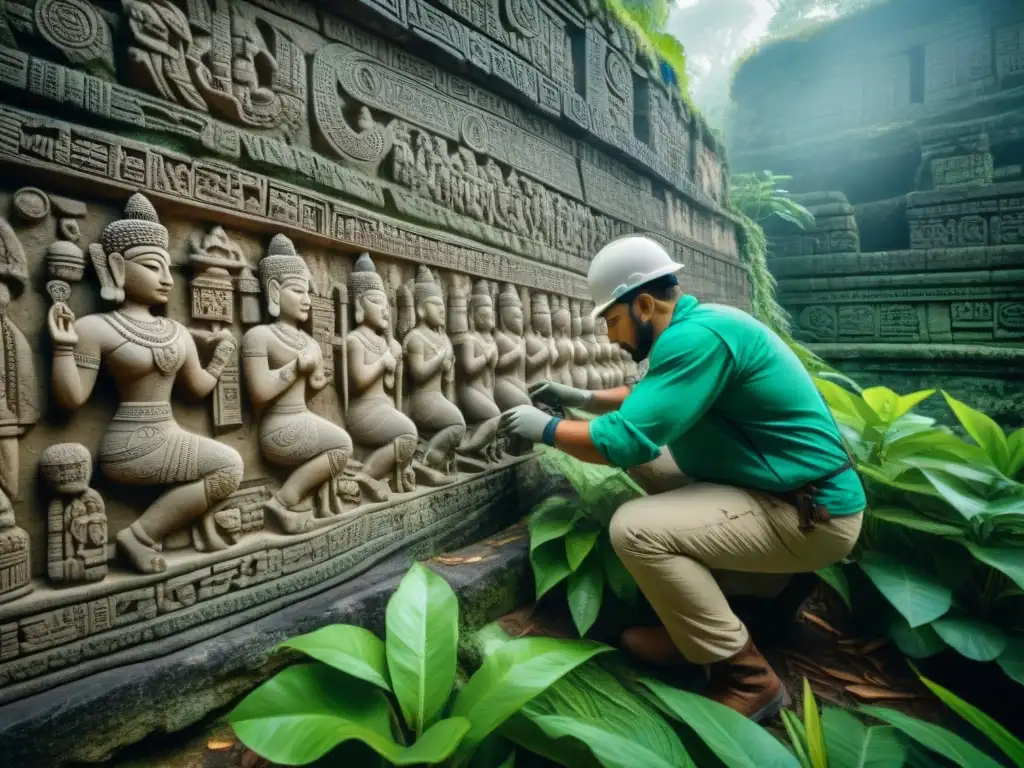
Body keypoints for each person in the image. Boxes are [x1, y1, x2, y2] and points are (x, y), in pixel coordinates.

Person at [498, 235, 865, 722]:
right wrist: (582, 398)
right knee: (649, 461)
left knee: (636, 529)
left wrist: (545, 428)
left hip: (809, 513)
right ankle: (720, 617)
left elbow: (622, 441)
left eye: (611, 319)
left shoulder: (696, 339)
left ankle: (746, 675)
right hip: (781, 491)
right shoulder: (702, 326)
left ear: (644, 304)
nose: (611, 337)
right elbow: (651, 394)